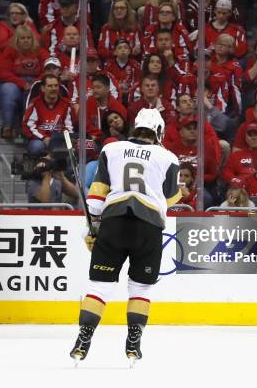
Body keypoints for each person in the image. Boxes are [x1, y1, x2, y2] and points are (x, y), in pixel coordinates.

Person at [70, 108, 181, 364]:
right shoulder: (168, 157)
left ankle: (83, 339)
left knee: (99, 287)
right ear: (159, 131)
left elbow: (97, 194)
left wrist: (93, 227)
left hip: (114, 222)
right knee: (141, 288)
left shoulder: (112, 149)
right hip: (148, 226)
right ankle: (134, 342)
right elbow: (171, 196)